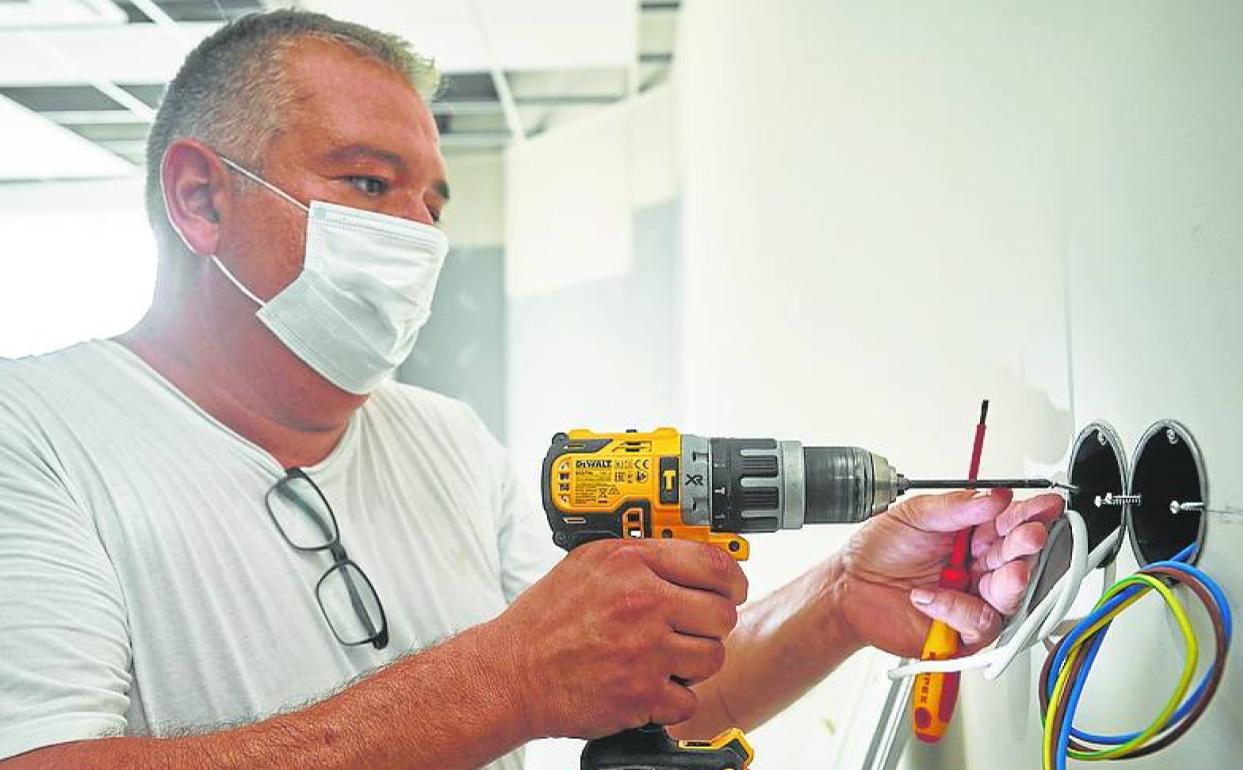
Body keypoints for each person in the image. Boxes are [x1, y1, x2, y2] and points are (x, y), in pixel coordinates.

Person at [0, 10, 1062, 770]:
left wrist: (839, 598)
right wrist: (507, 680)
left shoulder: (446, 442)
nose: (418, 232)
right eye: (368, 182)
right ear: (199, 197)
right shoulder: (35, 435)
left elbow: (657, 696)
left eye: (431, 197)